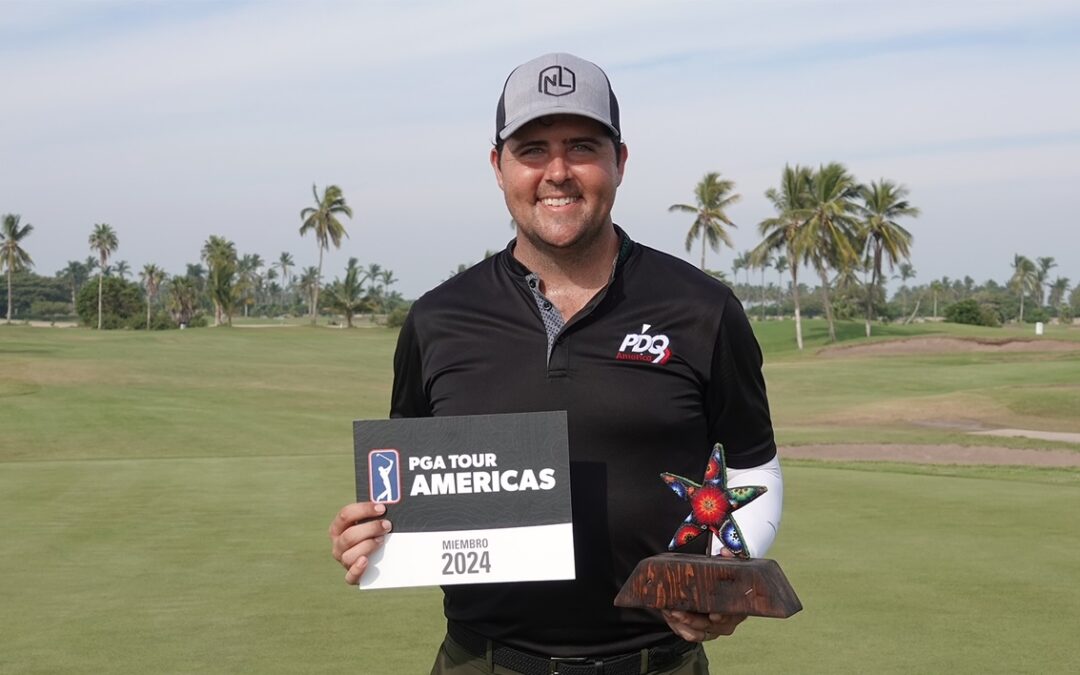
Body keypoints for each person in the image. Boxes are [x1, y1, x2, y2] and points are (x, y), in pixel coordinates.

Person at [330, 52, 783, 675]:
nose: (558, 172)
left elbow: (754, 463)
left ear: (620, 161)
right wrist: (369, 536)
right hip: (482, 662)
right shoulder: (438, 318)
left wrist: (726, 575)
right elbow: (410, 488)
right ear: (498, 166)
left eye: (582, 146)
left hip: (659, 662)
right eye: (533, 149)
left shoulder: (701, 308)